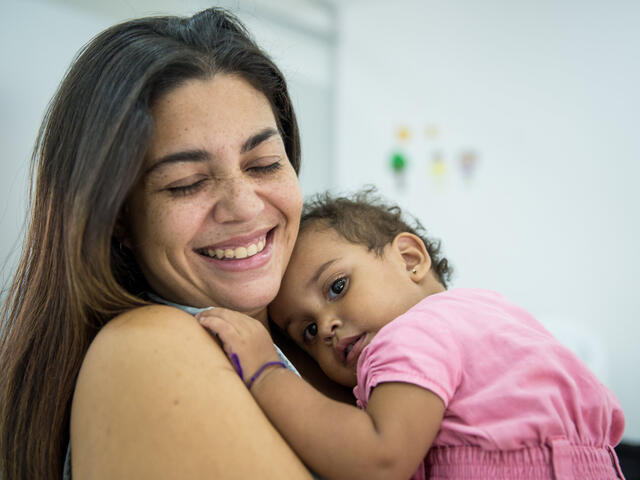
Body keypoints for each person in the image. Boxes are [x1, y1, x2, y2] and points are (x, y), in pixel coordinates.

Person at [0, 8, 348, 479]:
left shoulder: (324, 337)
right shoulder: (147, 352)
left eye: (264, 163)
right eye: (186, 183)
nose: (244, 207)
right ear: (118, 215)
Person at [198, 189, 627, 480]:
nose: (326, 326)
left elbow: (380, 458)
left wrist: (265, 369)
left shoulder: (410, 334)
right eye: (307, 330)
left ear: (408, 258)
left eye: (337, 287)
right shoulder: (487, 311)